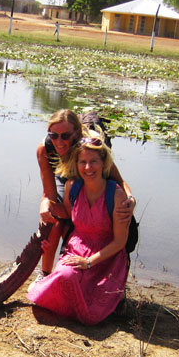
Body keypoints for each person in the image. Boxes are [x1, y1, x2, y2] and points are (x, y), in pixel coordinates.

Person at [27, 128, 130, 324]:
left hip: (107, 256)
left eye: (93, 162)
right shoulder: (72, 187)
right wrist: (47, 207)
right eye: (83, 162)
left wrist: (88, 262)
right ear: (76, 164)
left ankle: (116, 295)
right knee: (65, 278)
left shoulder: (116, 194)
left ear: (103, 163)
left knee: (94, 310)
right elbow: (67, 215)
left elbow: (120, 242)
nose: (88, 167)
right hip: (78, 247)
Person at [34, 109, 134, 281]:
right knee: (55, 222)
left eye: (65, 136)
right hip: (66, 176)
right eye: (54, 135)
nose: (59, 142)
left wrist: (130, 198)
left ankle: (96, 268)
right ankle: (45, 274)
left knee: (90, 221)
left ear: (76, 133)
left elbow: (119, 180)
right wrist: (46, 205)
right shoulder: (45, 149)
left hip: (90, 176)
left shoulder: (90, 147)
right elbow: (49, 194)